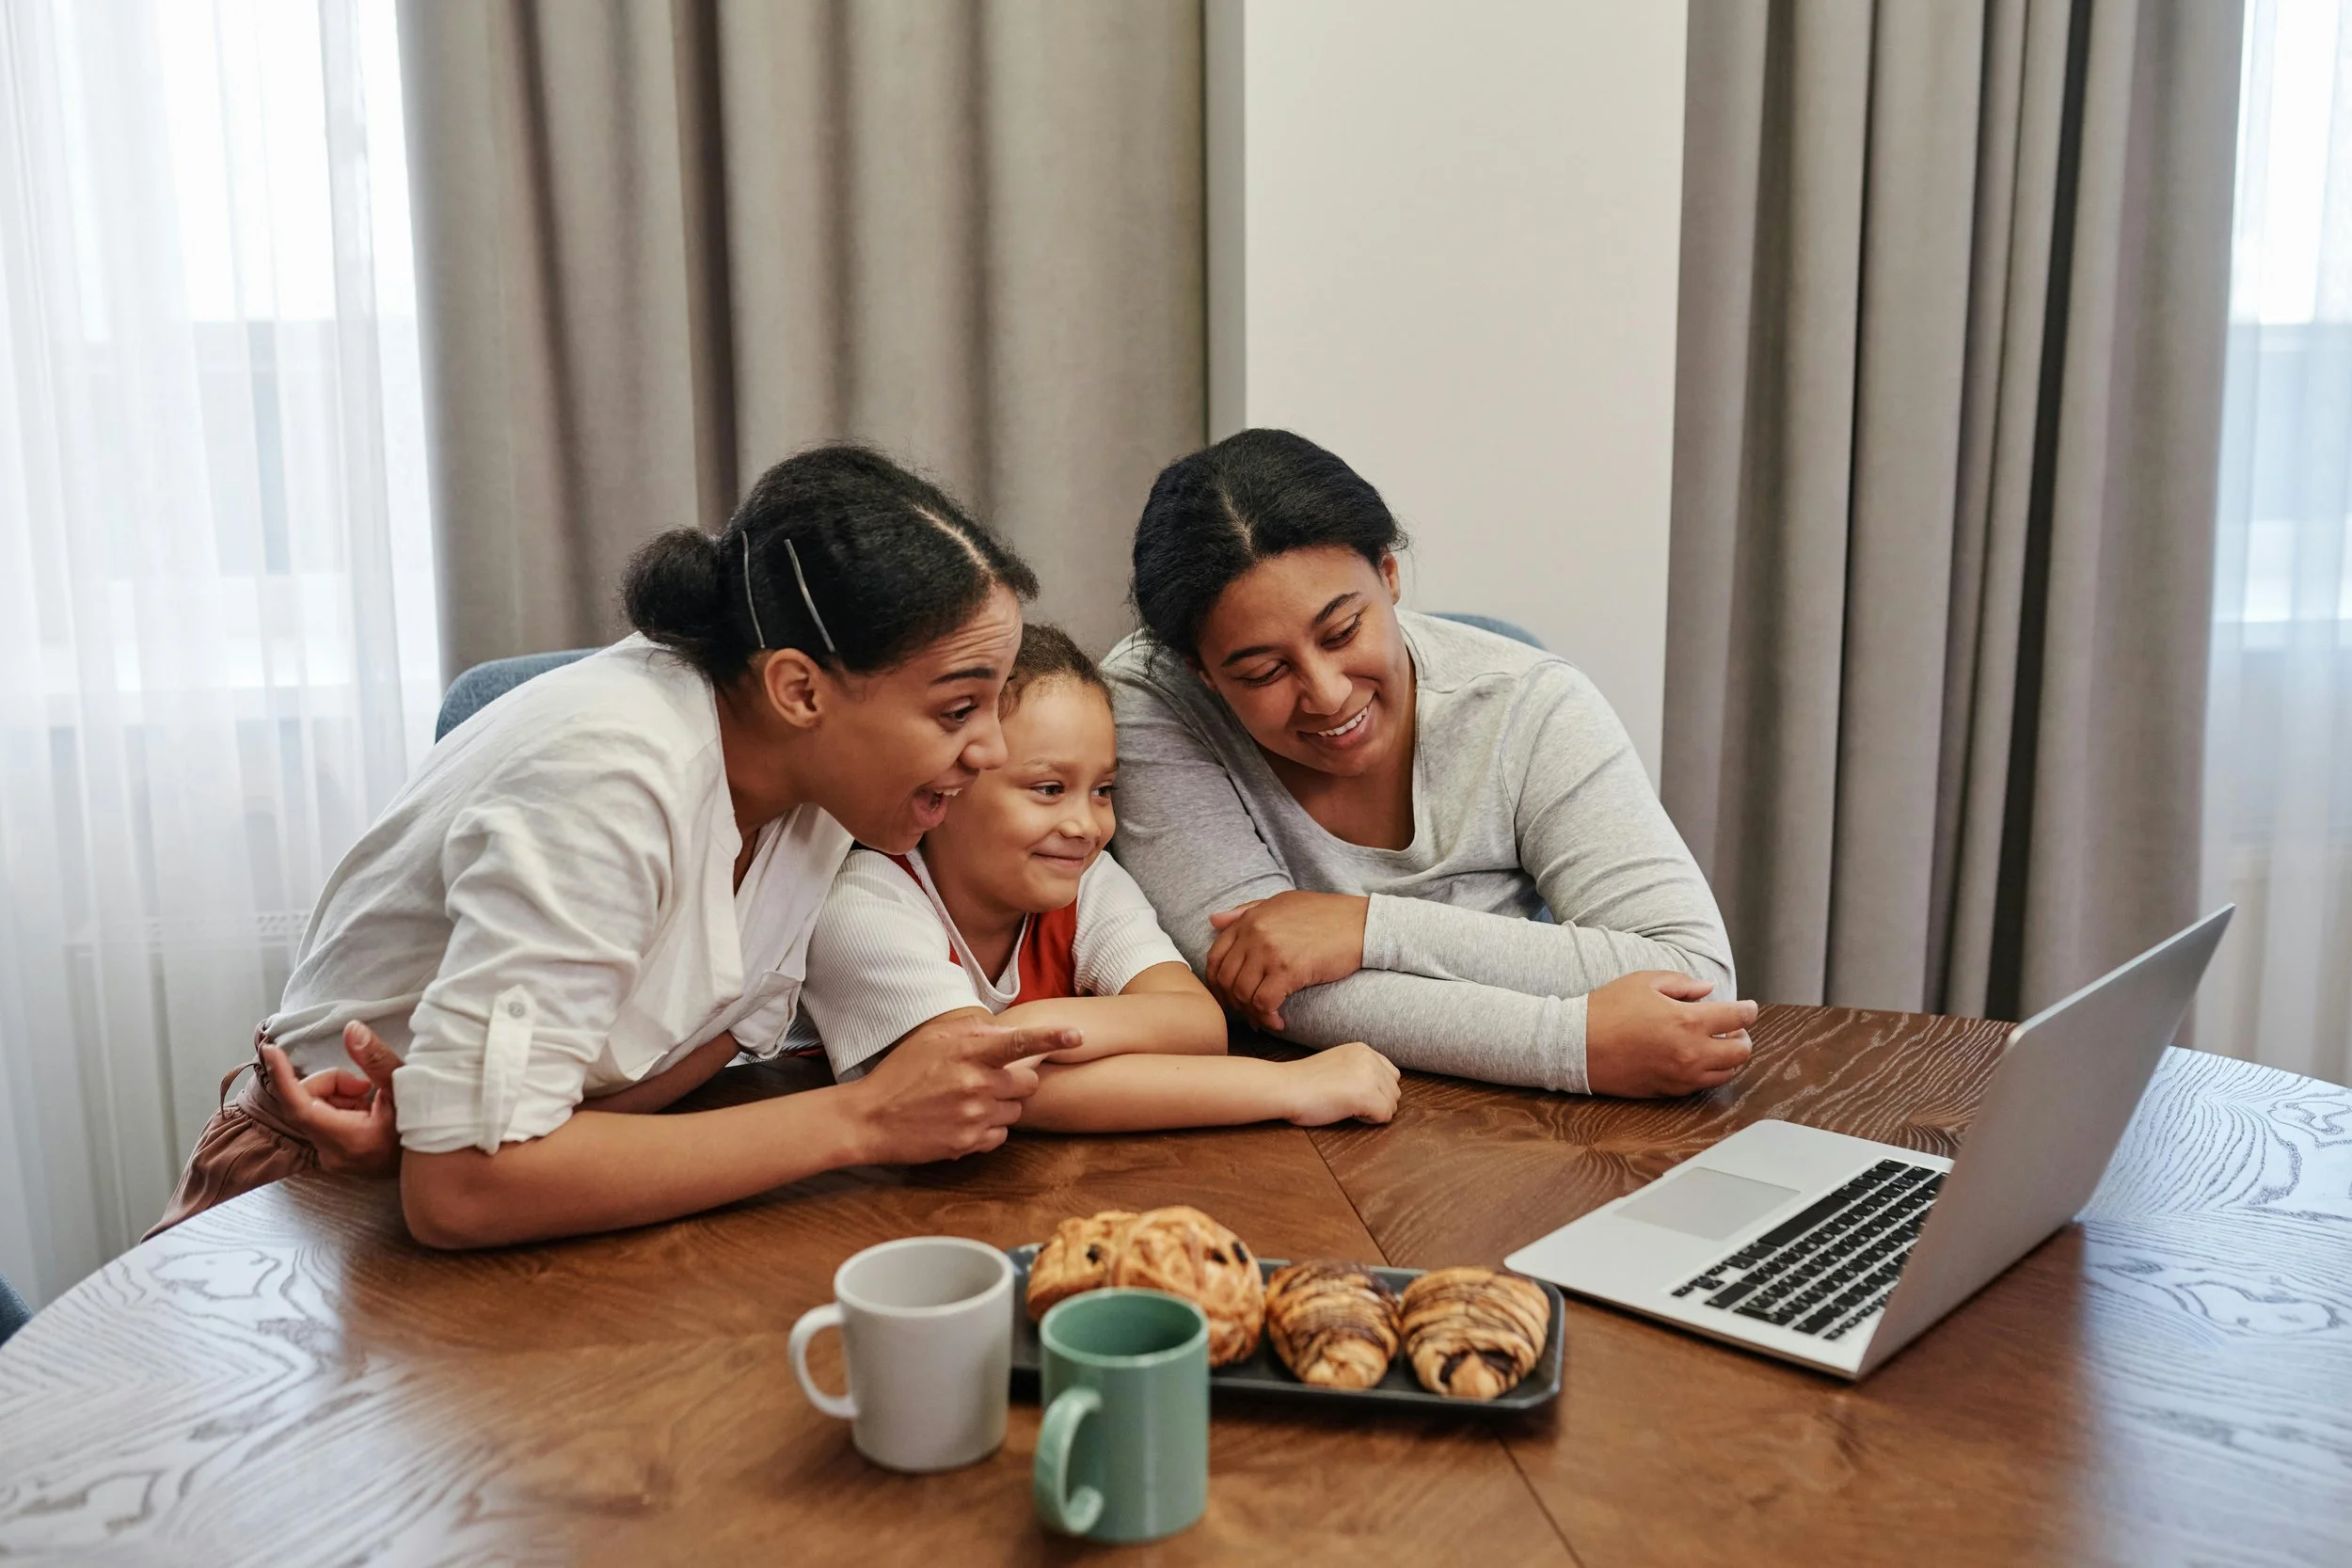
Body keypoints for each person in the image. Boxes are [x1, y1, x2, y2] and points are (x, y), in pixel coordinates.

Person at [151, 445, 1074, 1248]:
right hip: (311, 1202)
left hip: (496, 1194)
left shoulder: (820, 790)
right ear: (799, 688)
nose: (990, 748)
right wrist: (864, 1119)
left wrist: (498, 1133)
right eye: (957, 707)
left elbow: (671, 1057)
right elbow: (463, 1190)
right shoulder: (613, 776)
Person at [1103, 428, 1757, 1100]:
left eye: (1343, 632)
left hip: (1529, 1123)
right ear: (1201, 671)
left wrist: (1366, 928)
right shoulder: (1151, 698)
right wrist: (1568, 1044)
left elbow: (1692, 972)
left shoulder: (1527, 703)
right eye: (1266, 670)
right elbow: (1261, 985)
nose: (1327, 693)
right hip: (1296, 1117)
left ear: (1388, 575)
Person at [791, 624, 1401, 1131]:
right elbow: (982, 1083)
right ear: (949, 782)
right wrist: (1290, 1087)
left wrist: (1022, 1032)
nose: (1085, 824)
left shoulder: (1086, 879)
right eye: (1048, 789)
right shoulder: (865, 901)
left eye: (1103, 790)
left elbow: (1195, 1023)